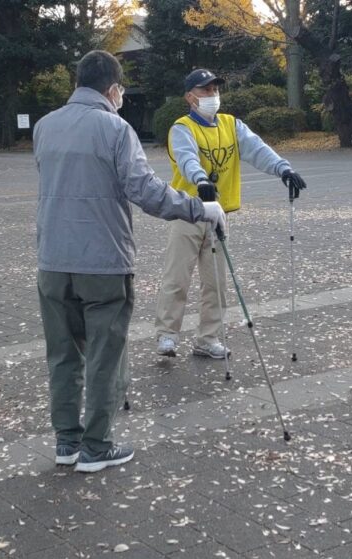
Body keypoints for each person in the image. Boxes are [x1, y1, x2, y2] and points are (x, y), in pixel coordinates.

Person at [33, 51, 226, 473]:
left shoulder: (45, 127)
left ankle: (67, 441)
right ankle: (97, 446)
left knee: (63, 355)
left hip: (52, 261)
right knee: (105, 354)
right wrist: (199, 209)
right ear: (113, 89)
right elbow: (146, 191)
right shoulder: (116, 128)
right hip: (103, 261)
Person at [154, 69, 306, 358]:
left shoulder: (231, 124)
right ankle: (167, 334)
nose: (212, 95)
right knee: (177, 277)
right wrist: (200, 180)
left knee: (216, 282)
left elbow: (257, 149)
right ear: (190, 96)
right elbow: (186, 157)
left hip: (219, 215)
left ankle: (208, 338)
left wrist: (283, 169)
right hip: (188, 212)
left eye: (214, 90)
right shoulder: (181, 127)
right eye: (205, 90)